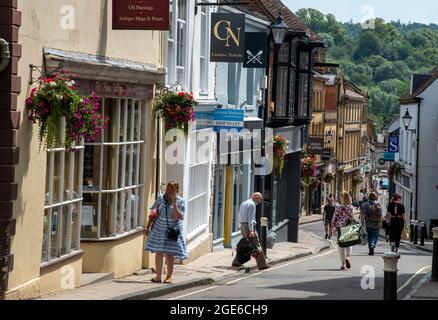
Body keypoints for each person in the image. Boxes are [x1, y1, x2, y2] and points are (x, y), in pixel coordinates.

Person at [145, 181, 188, 284]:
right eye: (168, 189)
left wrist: (174, 202)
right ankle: (158, 276)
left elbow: (178, 217)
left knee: (170, 253)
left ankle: (169, 277)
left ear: (177, 190)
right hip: (159, 228)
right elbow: (153, 213)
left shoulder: (181, 201)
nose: (169, 191)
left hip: (172, 230)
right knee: (159, 252)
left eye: (171, 189)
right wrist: (148, 226)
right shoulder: (160, 198)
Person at [232, 192, 269, 270]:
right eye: (259, 200)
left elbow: (239, 215)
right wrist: (251, 230)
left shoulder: (244, 203)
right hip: (248, 227)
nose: (259, 202)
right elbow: (251, 219)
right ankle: (262, 265)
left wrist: (241, 226)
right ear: (256, 198)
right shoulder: (252, 205)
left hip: (243, 226)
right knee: (257, 245)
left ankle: (236, 262)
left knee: (244, 244)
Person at [332, 191, 355, 270]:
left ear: (342, 198)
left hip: (340, 228)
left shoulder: (338, 207)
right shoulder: (351, 207)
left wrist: (333, 227)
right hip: (348, 227)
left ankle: (342, 264)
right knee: (349, 243)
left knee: (341, 245)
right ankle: (347, 258)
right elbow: (352, 218)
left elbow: (334, 218)